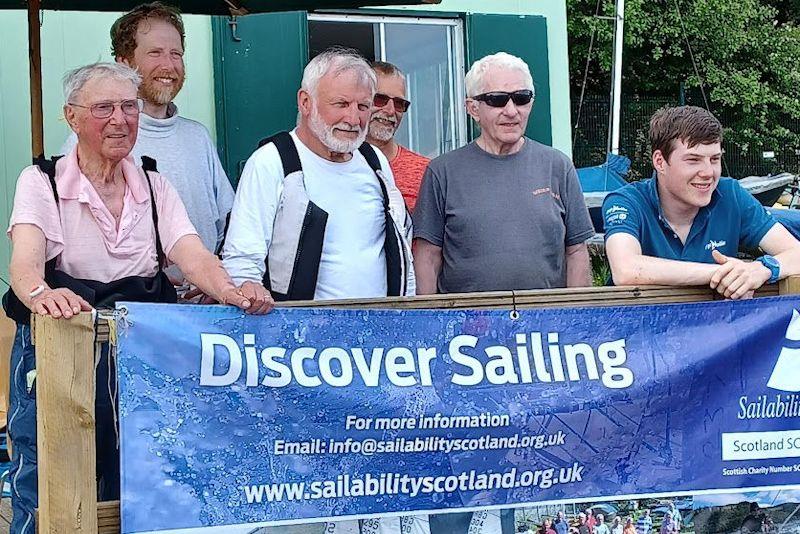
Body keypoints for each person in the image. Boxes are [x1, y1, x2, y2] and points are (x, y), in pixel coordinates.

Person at [4, 62, 271, 534]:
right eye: (103, 107)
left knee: (141, 476)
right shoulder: (40, 181)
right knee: (47, 477)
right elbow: (24, 265)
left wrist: (232, 291)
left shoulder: (153, 182)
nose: (120, 119)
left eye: (129, 107)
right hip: (62, 349)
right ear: (71, 116)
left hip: (138, 350)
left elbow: (192, 254)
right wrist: (44, 295)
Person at [62, 2, 234, 292]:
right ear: (124, 63)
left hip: (205, 304)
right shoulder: (93, 142)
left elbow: (225, 224)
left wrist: (216, 280)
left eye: (176, 54)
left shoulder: (198, 136)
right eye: (155, 53)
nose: (169, 65)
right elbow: (81, 246)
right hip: (137, 312)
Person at [222, 47, 414, 302]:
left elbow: (403, 253)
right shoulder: (272, 161)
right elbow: (242, 260)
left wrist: (409, 312)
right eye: (341, 104)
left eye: (363, 106)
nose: (354, 118)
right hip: (303, 336)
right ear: (305, 102)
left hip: (377, 333)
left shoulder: (373, 160)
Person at [413, 52, 594, 294]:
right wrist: (428, 321)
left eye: (521, 98)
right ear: (473, 109)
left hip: (545, 326)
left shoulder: (558, 166)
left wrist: (576, 319)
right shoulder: (442, 172)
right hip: (468, 327)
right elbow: (427, 257)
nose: (511, 110)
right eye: (497, 99)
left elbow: (576, 250)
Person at [603, 106, 800, 297]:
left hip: (713, 327)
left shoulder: (731, 194)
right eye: (693, 160)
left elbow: (796, 253)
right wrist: (724, 275)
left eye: (714, 159)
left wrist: (763, 269)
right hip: (640, 327)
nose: (708, 173)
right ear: (660, 162)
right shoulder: (625, 201)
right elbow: (626, 270)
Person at [366, 61, 430, 212]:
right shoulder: (337, 165)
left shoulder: (427, 172)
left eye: (399, 103)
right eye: (380, 99)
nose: (390, 110)